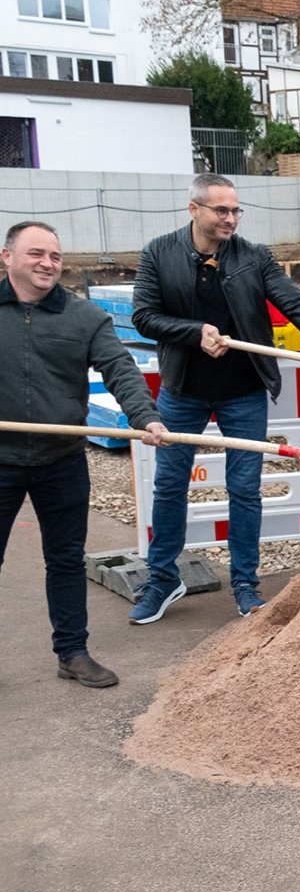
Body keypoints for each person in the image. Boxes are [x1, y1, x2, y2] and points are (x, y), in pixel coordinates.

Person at [130, 173, 300, 622]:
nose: (231, 218)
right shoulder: (159, 253)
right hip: (183, 390)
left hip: (243, 391)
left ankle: (246, 585)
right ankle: (162, 580)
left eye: (235, 210)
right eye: (221, 210)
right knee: (171, 485)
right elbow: (143, 316)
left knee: (244, 490)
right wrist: (195, 334)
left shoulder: (253, 257)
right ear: (194, 210)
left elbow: (296, 303)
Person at [1, 222, 167, 688]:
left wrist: (144, 418)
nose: (47, 263)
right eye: (36, 253)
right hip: (1, 458)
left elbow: (121, 369)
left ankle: (72, 652)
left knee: (66, 559)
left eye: (55, 256)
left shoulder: (84, 318)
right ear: (6, 257)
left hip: (61, 459)